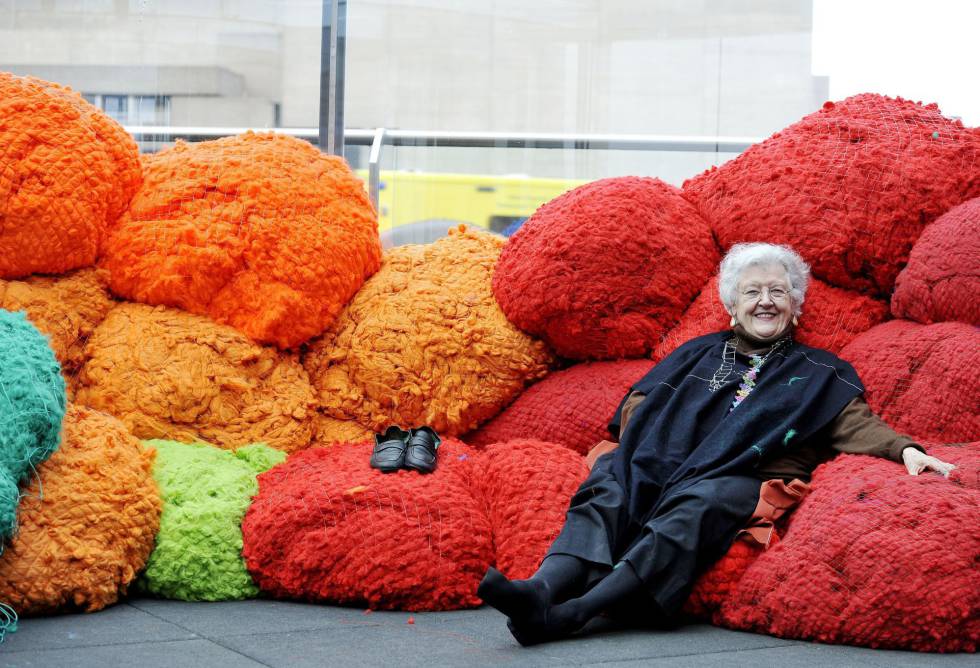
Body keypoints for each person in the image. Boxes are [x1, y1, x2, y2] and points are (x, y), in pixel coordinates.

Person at [477, 242, 956, 646]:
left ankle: (574, 613)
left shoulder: (820, 371)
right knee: (610, 482)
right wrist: (658, 443)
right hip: (663, 460)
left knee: (698, 503)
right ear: (732, 306)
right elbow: (639, 404)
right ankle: (540, 590)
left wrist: (905, 450)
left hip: (745, 475)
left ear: (796, 305)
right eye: (752, 292)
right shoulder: (696, 352)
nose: (765, 301)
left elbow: (854, 422)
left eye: (777, 291)